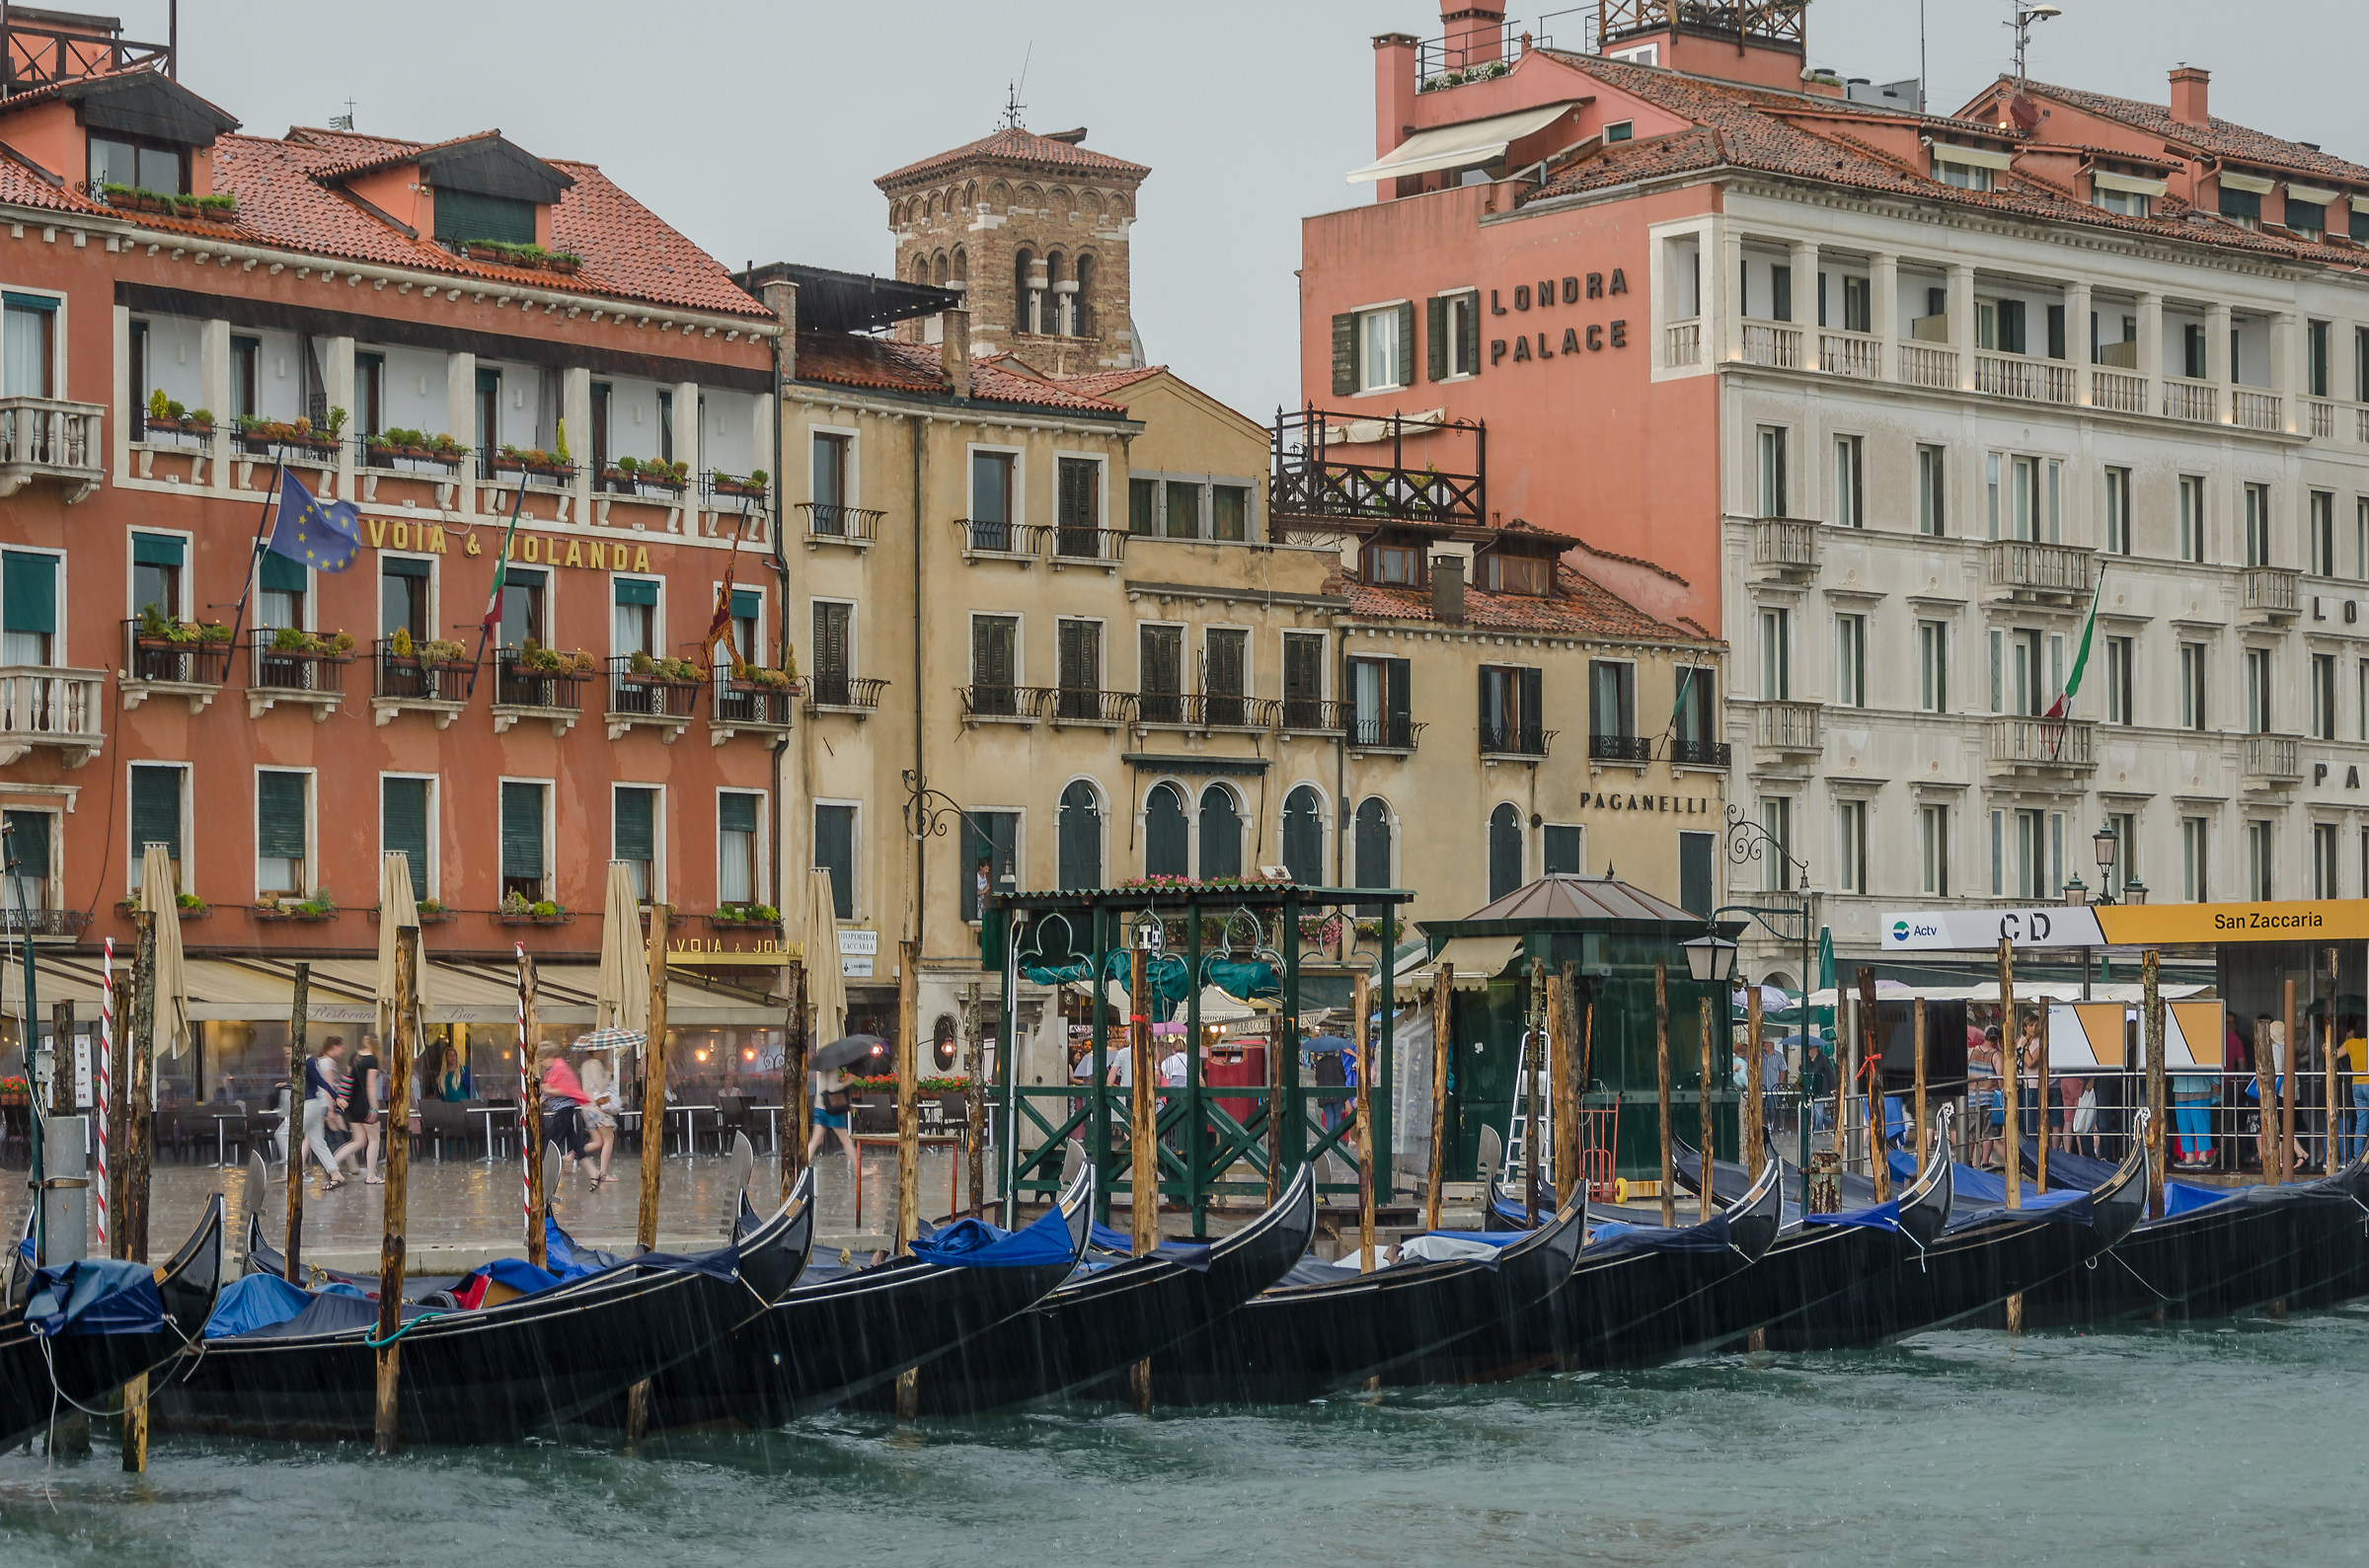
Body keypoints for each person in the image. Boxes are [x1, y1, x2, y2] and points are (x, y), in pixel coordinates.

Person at [330, 1035, 385, 1185]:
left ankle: (331, 1163)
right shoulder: (372, 1060)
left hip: (352, 1105)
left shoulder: (354, 1056)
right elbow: (370, 1085)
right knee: (374, 1139)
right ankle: (371, 1176)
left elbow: (349, 1078)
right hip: (365, 1105)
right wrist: (374, 1107)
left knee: (359, 1141)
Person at [303, 1035, 351, 1191]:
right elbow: (325, 1083)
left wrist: (332, 1104)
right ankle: (336, 1173)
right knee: (315, 1140)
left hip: (317, 1104)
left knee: (296, 1136)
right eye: (341, 1047)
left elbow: (324, 1083)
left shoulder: (316, 1061)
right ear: (334, 1047)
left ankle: (294, 1169)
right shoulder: (324, 1062)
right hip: (321, 1104)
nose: (343, 1050)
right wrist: (332, 1104)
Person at [537, 1040, 593, 1170]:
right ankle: (594, 1173)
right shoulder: (551, 1070)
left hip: (564, 1110)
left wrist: (547, 1089)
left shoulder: (560, 1068)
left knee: (550, 1141)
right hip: (561, 1110)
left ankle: (546, 1170)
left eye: (542, 1059)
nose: (541, 1063)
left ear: (549, 1056)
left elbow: (563, 1090)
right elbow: (547, 1093)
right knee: (575, 1143)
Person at [577, 1050, 620, 1186]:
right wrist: (608, 1072)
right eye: (602, 1049)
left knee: (598, 1141)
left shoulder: (584, 1064)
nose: (604, 1051)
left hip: (586, 1107)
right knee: (609, 1139)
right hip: (595, 1106)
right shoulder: (595, 1064)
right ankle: (603, 1174)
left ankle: (572, 1154)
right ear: (596, 1050)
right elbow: (601, 1087)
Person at [807, 1059, 859, 1165]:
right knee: (846, 1141)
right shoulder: (833, 1067)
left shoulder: (822, 1067)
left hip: (819, 1106)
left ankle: (800, 1168)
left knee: (815, 1141)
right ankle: (859, 1169)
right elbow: (832, 1088)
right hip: (831, 1110)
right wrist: (847, 1082)